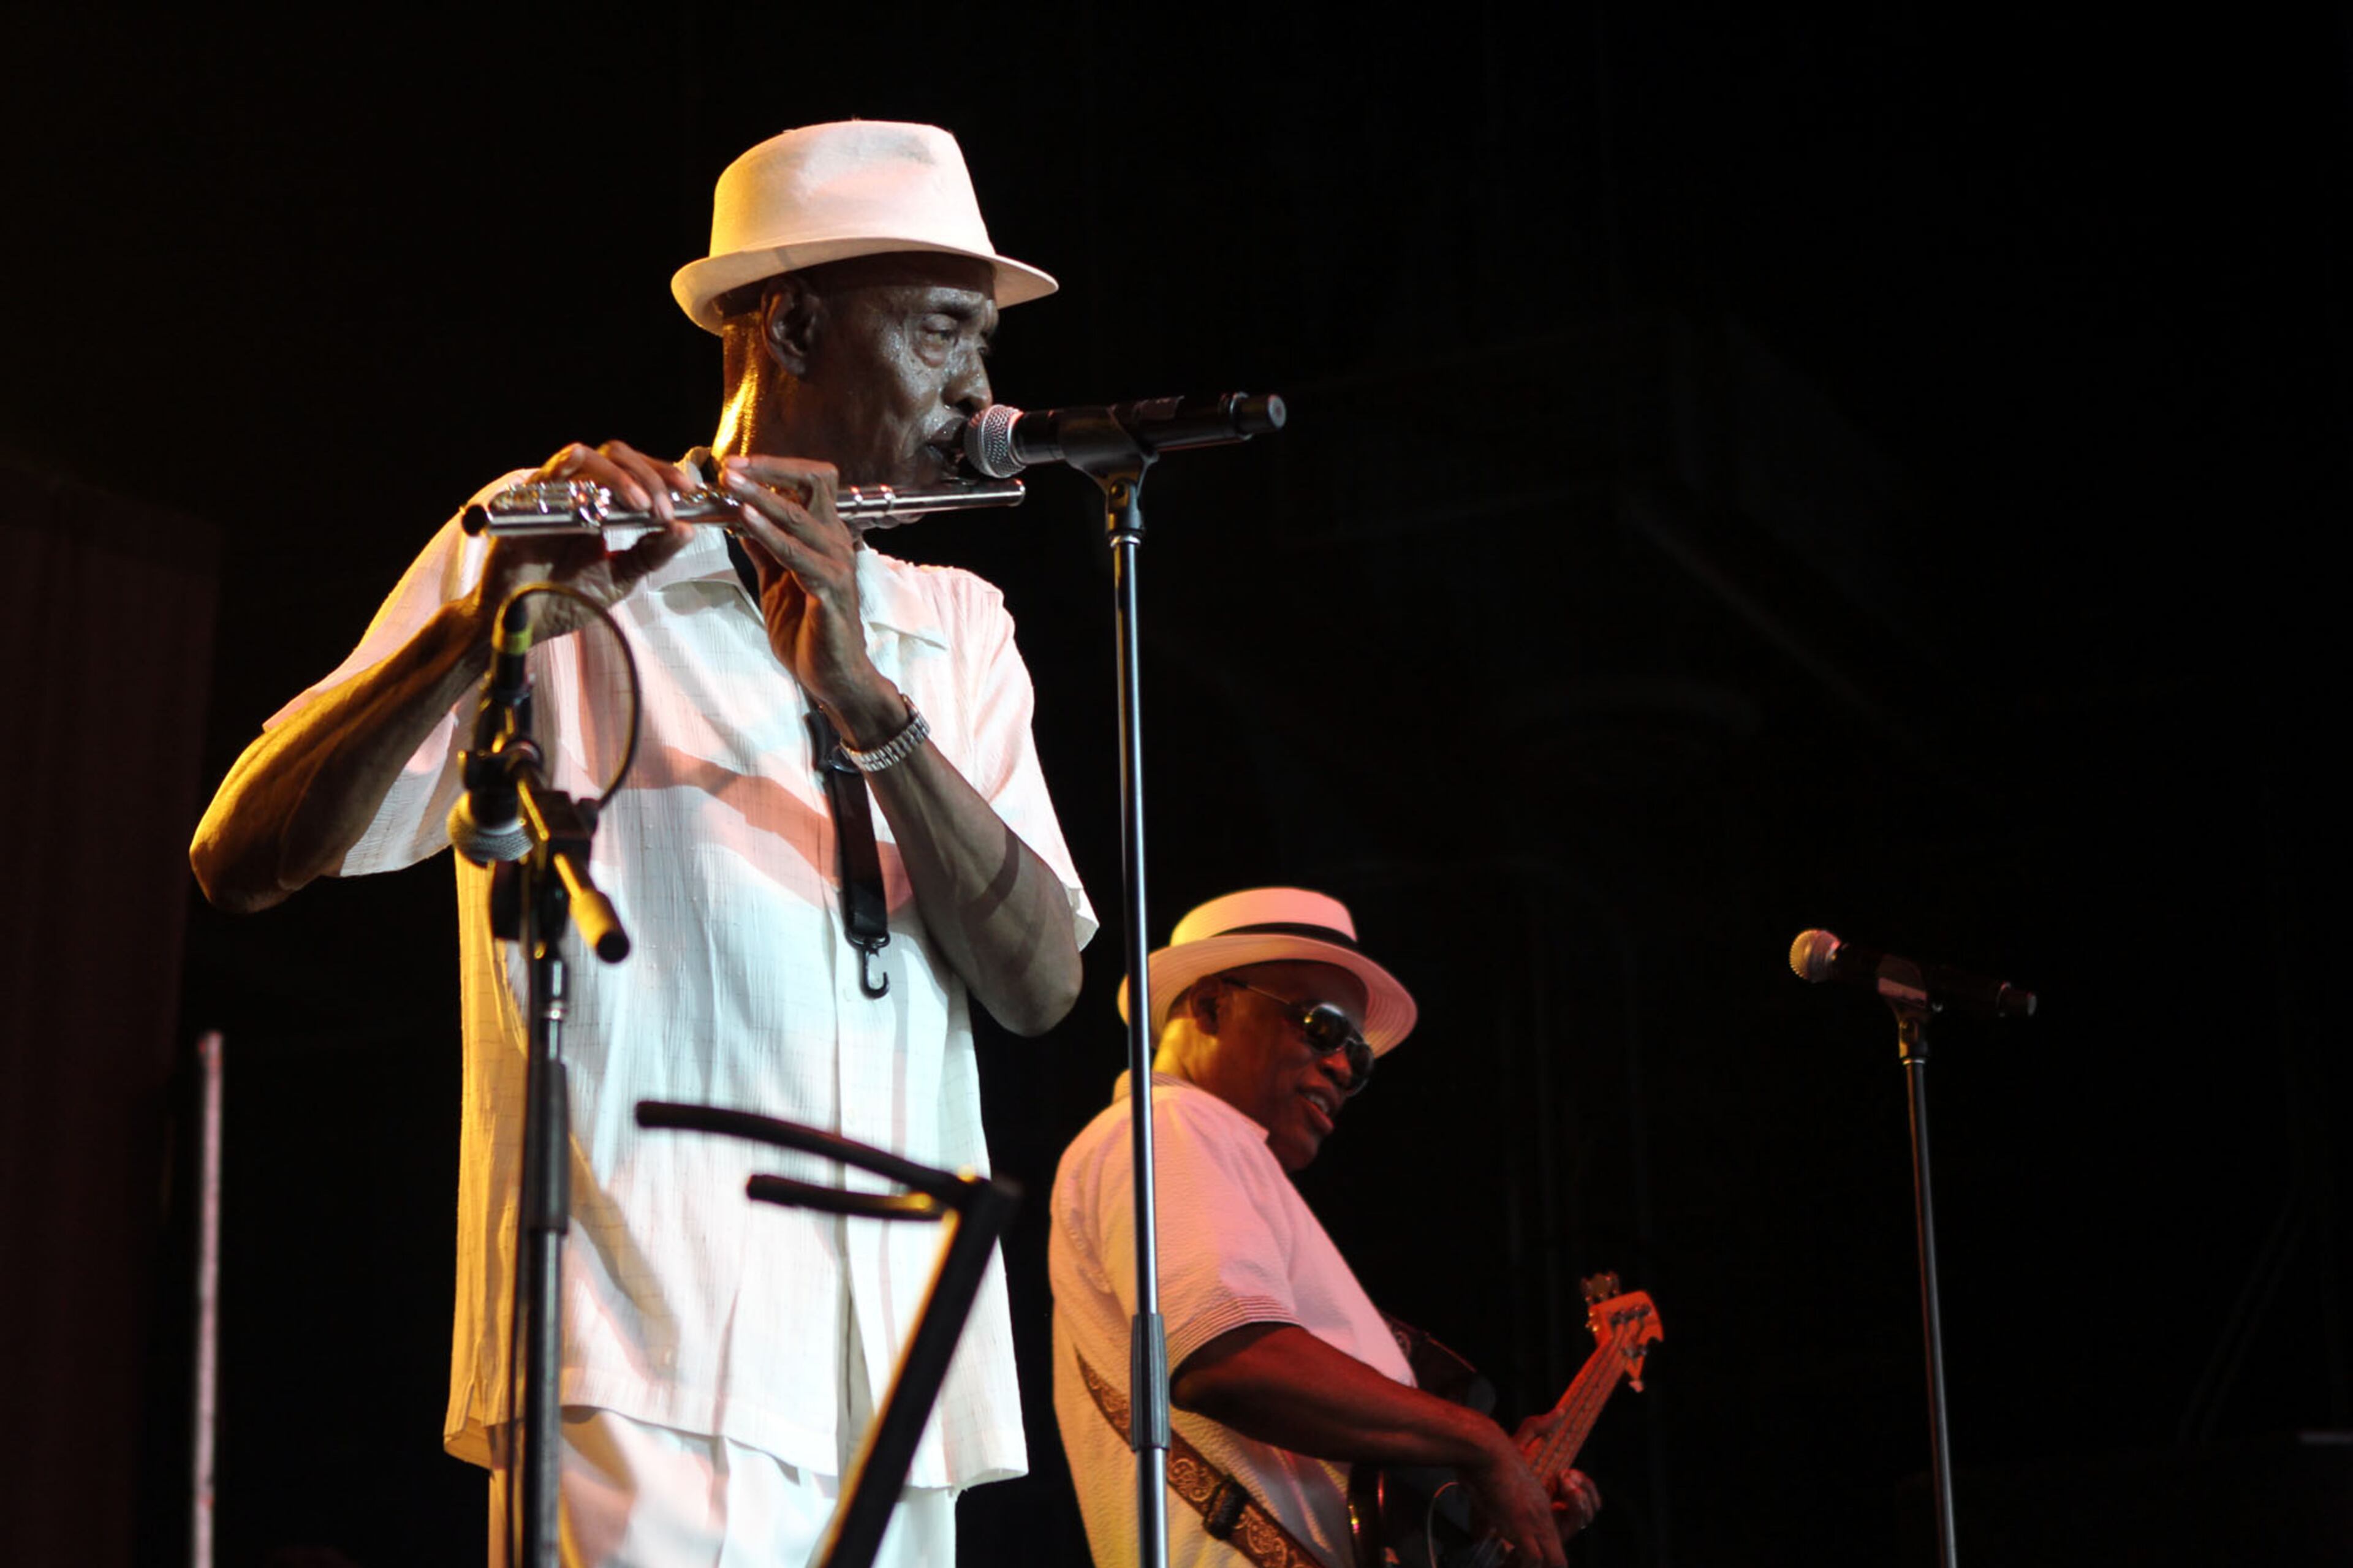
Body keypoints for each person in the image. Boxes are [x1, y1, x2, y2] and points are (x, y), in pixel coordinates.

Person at [191, 121, 1094, 1567]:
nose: (978, 386)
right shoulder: (552, 549)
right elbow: (239, 853)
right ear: (791, 322)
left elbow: (1041, 984)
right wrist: (474, 630)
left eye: (983, 340)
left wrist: (864, 699)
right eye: (938, 332)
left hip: (902, 1369)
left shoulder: (954, 624)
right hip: (643, 1345)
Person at [1048, 888, 1601, 1568]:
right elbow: (1230, 1361)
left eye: (1360, 1059)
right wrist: (1477, 1443)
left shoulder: (1216, 1156)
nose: (1344, 1068)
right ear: (1211, 1005)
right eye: (1321, 1027)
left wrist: (1490, 1523)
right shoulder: (1172, 1127)